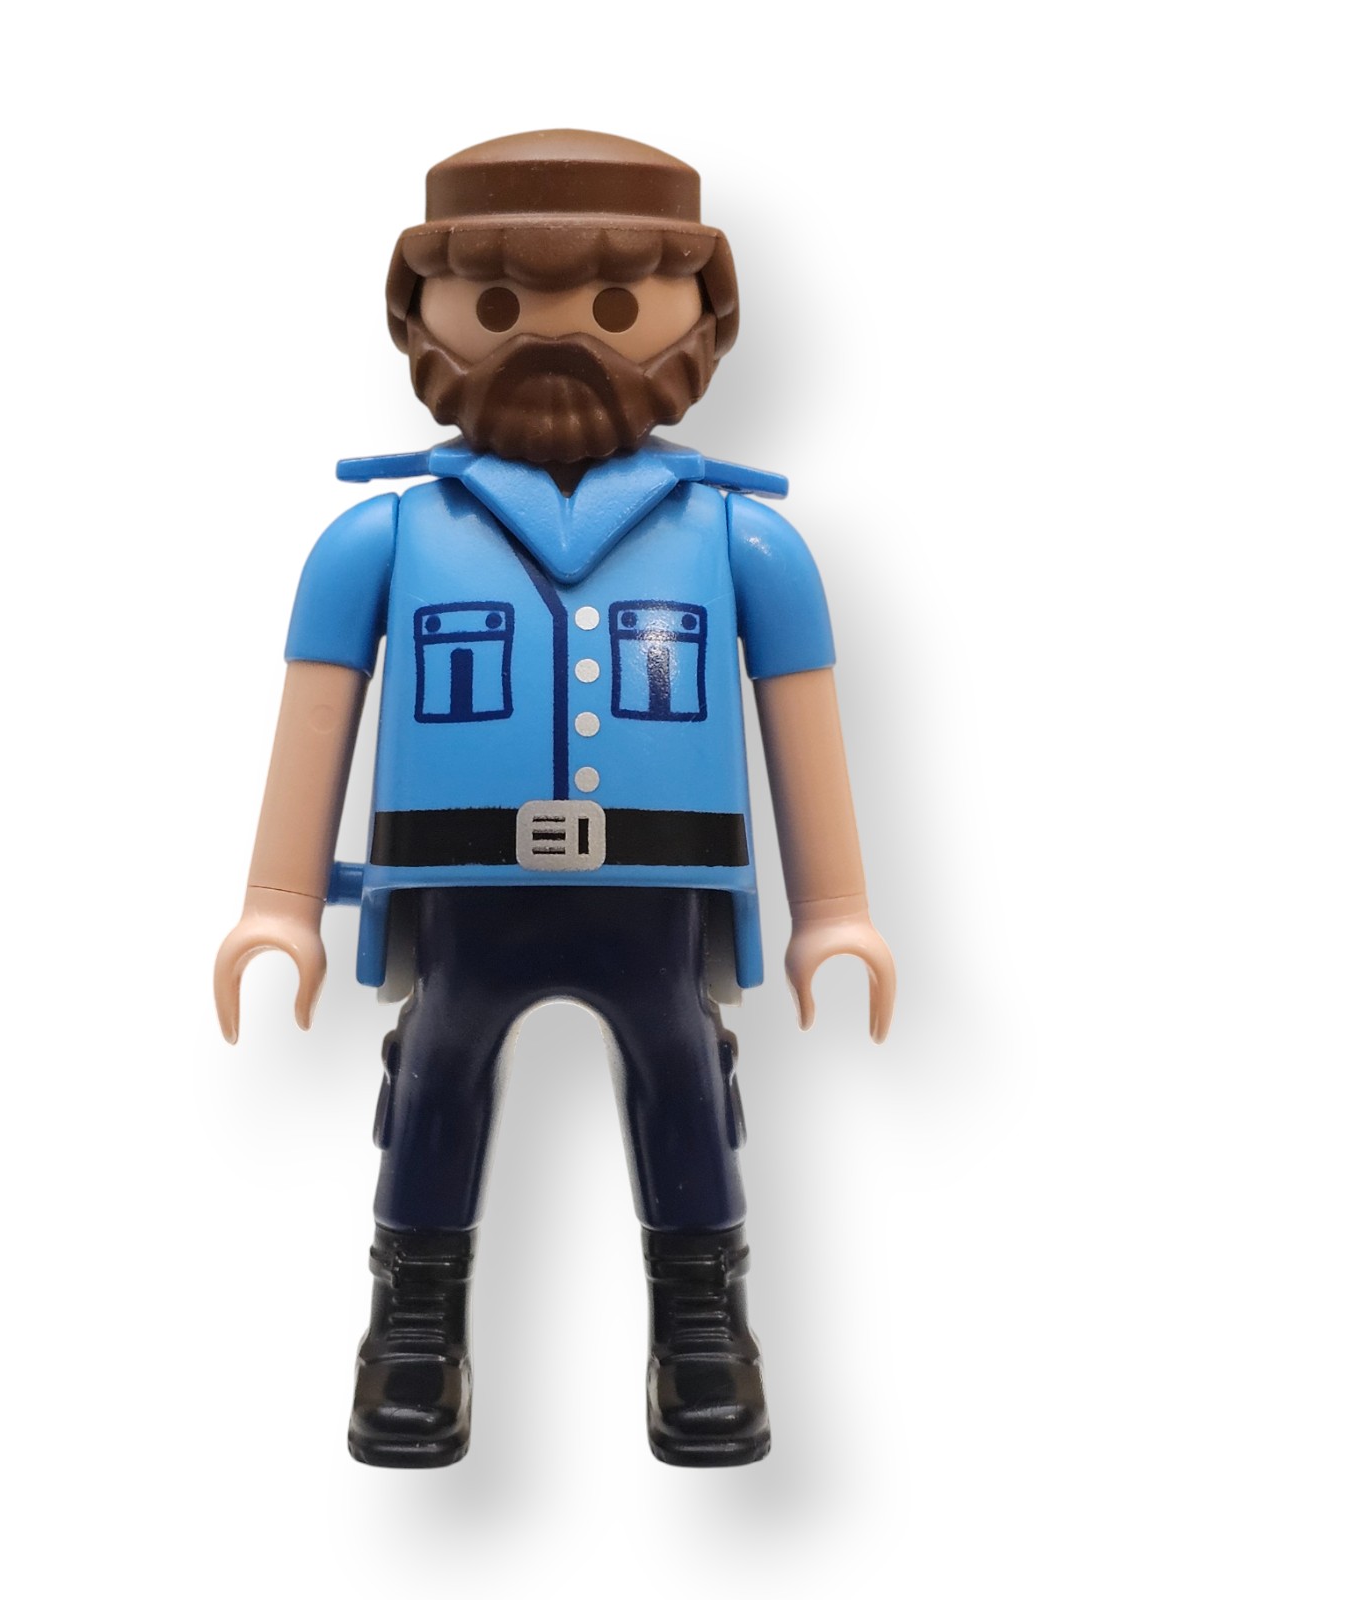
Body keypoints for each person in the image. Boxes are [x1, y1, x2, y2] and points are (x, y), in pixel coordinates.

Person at [214, 129, 896, 1468]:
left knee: (682, 1070)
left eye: (618, 306)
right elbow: (316, 722)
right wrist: (279, 903)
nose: (556, 342)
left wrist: (837, 913)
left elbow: (801, 725)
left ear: (706, 315)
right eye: (500, 306)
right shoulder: (378, 538)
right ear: (421, 314)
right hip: (460, 892)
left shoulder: (747, 541)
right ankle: (414, 1331)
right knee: (439, 1071)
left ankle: (703, 1327)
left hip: (658, 892)